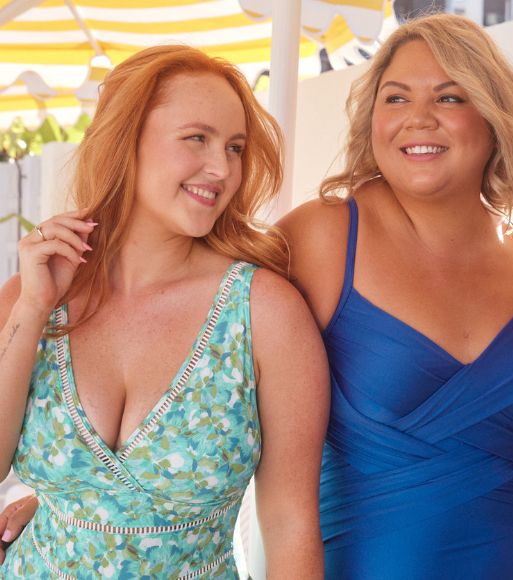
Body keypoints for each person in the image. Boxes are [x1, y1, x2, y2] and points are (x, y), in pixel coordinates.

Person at [0, 45, 329, 577]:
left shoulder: (262, 312)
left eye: (236, 147)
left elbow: (290, 522)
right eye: (197, 138)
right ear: (125, 141)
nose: (222, 168)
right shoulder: (33, 295)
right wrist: (34, 307)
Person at [276, 13, 513, 579]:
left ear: (492, 117)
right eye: (395, 99)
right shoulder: (320, 237)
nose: (418, 119)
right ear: (371, 119)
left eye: (449, 97)